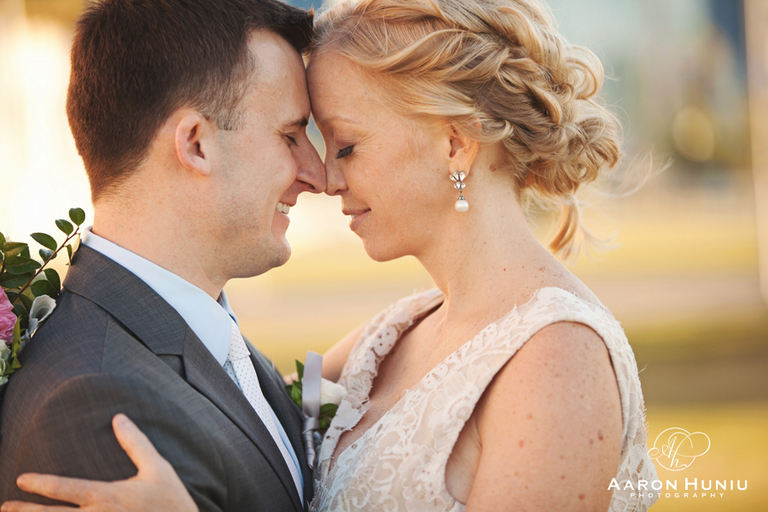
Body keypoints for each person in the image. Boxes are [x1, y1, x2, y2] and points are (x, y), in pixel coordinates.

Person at [2, 0, 659, 511]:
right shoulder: (381, 343)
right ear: (196, 144)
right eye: (302, 137)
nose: (324, 177)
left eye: (345, 144)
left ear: (455, 145)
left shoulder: (555, 358)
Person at [0, 0, 326, 511]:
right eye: (290, 135)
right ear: (196, 143)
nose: (317, 175)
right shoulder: (97, 405)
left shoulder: (202, 334)